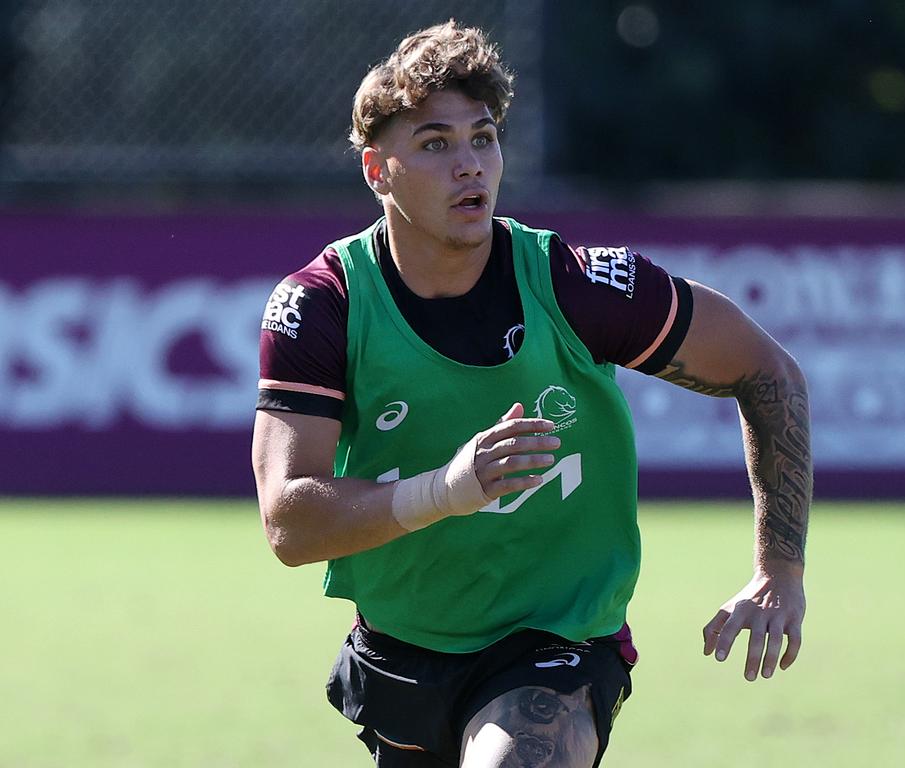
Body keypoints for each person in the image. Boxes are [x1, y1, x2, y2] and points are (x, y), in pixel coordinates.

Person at [252, 20, 810, 768]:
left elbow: (766, 371)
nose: (470, 166)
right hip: (403, 649)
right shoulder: (323, 306)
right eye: (436, 144)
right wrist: (445, 491)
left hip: (558, 640)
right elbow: (290, 522)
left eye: (483, 138)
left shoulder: (578, 287)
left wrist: (780, 571)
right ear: (378, 172)